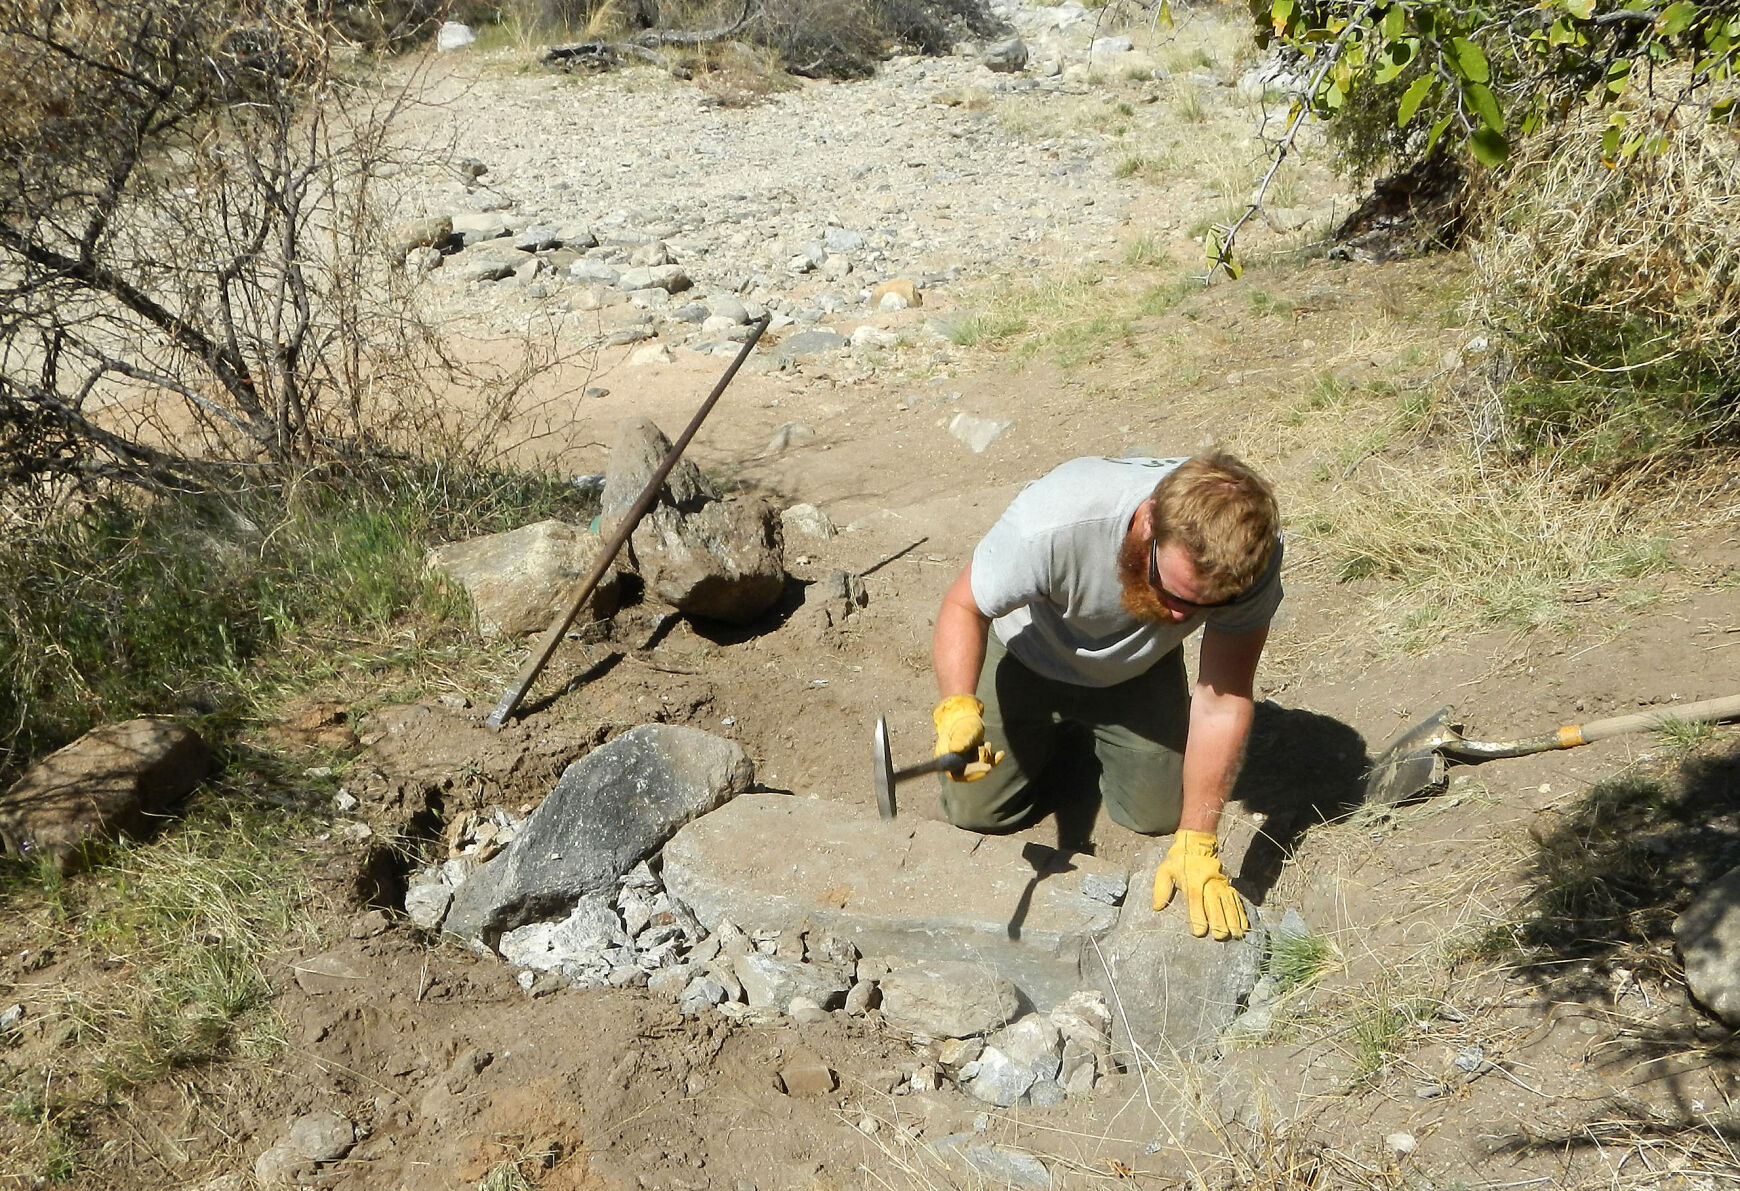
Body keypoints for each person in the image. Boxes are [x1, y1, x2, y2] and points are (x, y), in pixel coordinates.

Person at [929, 452, 1283, 941]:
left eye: (1203, 606)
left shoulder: (1250, 560)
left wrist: (1200, 839)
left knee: (1160, 817)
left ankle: (1085, 741)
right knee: (977, 814)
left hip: (1137, 669)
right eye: (1171, 592)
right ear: (1146, 523)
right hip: (1025, 651)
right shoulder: (1055, 520)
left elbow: (1222, 699)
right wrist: (957, 706)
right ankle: (1053, 743)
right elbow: (963, 606)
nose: (1180, 616)